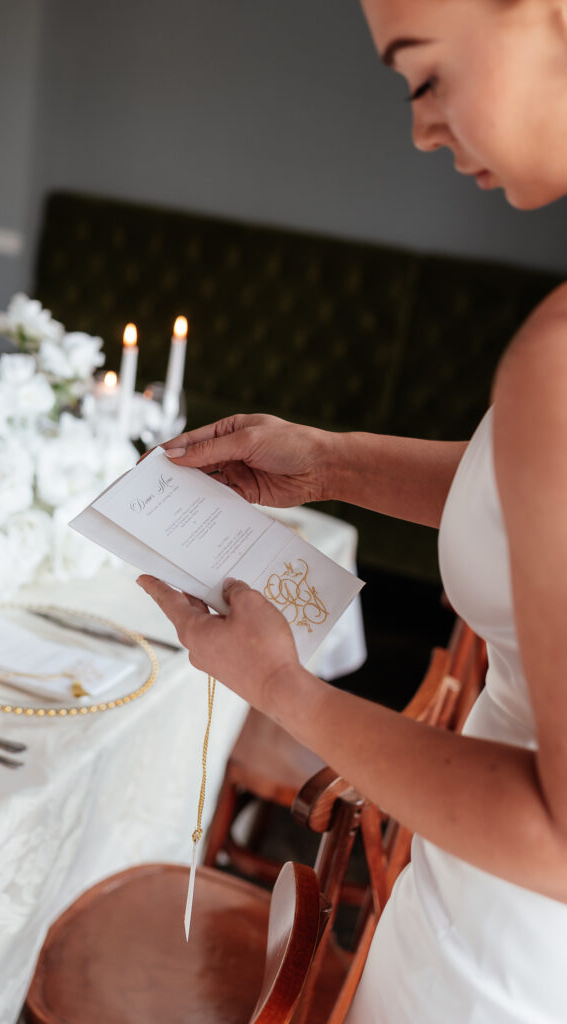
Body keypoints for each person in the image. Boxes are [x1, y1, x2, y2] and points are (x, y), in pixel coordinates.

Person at [137, 1, 567, 1019]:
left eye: (421, 76)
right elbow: (527, 490)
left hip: (500, 957)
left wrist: (279, 684)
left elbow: (556, 837)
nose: (420, 128)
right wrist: (326, 461)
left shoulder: (555, 361)